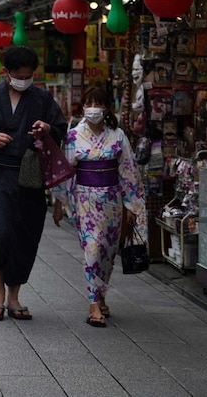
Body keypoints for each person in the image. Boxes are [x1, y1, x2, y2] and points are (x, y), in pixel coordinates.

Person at [0, 46, 67, 321]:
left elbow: (60, 128)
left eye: (28, 75)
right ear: (6, 72)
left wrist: (47, 129)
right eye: (18, 75)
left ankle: (14, 295)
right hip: (0, 173)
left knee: (26, 234)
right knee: (2, 231)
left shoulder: (42, 98)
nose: (24, 79)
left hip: (31, 176)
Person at [52, 87, 145, 327]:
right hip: (86, 200)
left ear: (106, 108)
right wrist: (60, 202)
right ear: (83, 107)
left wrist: (132, 205)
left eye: (98, 103)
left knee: (107, 251)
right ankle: (93, 303)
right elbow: (66, 172)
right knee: (92, 249)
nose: (93, 108)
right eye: (88, 103)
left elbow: (128, 170)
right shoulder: (73, 136)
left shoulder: (118, 135)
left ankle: (101, 293)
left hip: (112, 200)